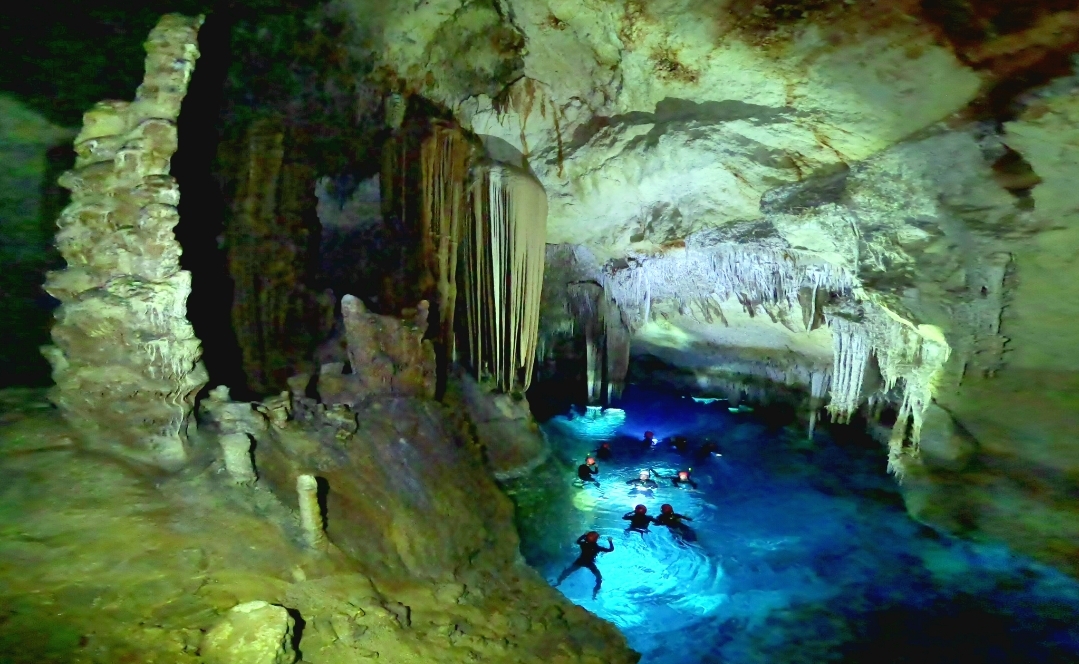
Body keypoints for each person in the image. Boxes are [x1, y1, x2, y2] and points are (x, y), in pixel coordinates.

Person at [553, 531, 614, 599]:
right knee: (599, 577)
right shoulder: (597, 547)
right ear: (596, 539)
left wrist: (584, 535)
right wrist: (610, 541)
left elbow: (578, 541)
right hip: (589, 563)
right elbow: (611, 549)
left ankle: (558, 582)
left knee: (568, 571)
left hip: (580, 561)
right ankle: (594, 594)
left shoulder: (584, 544)